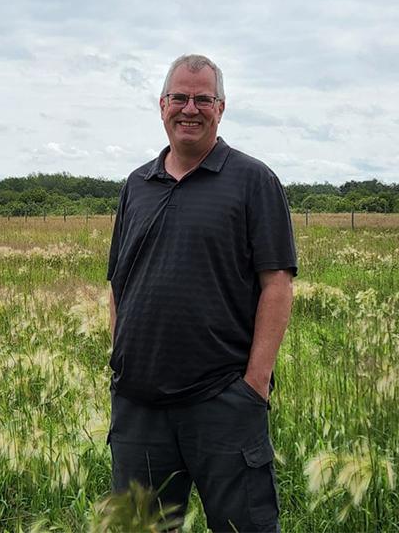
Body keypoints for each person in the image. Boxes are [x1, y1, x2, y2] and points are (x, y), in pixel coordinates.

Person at [106, 54, 297, 532]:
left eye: (203, 99)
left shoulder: (253, 181)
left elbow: (277, 284)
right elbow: (118, 282)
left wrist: (254, 385)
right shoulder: (137, 185)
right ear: (162, 104)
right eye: (180, 98)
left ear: (221, 107)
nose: (189, 109)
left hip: (222, 404)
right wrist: (119, 361)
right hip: (139, 409)